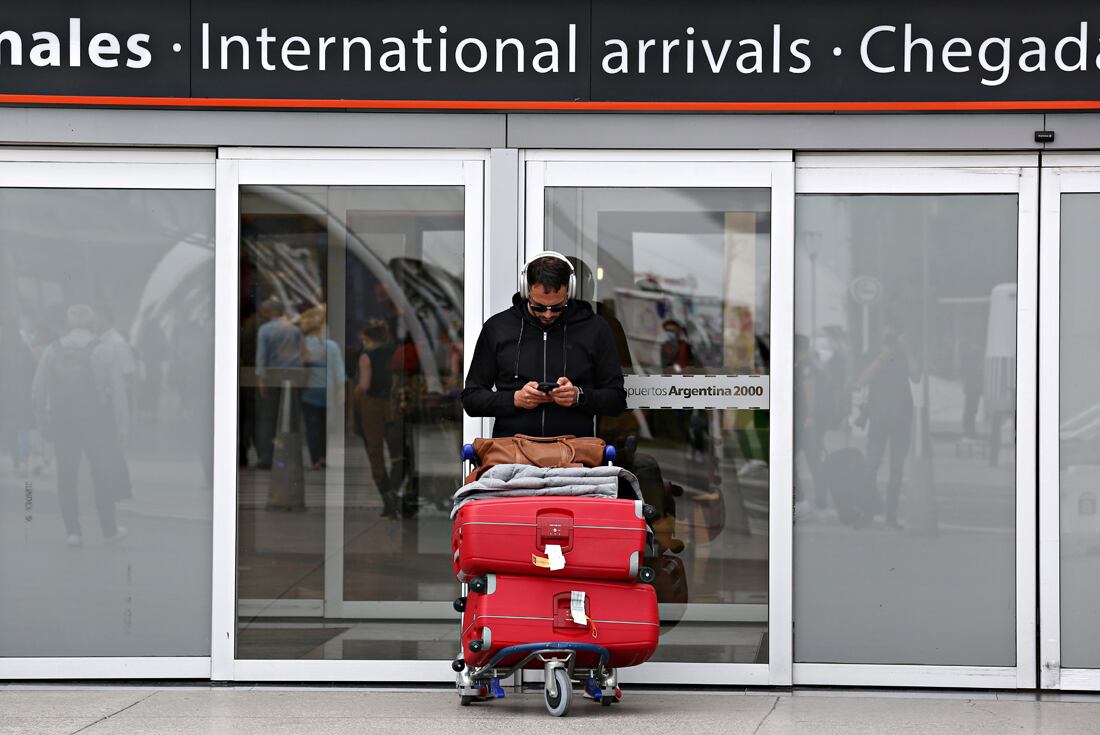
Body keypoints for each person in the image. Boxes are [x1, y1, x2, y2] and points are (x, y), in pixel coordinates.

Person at [462, 251, 626, 438]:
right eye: (539, 306)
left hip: (574, 453)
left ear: (570, 291)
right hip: (513, 454)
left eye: (557, 307)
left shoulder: (595, 328)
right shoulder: (498, 327)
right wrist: (515, 399)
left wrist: (578, 396)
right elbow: (471, 399)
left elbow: (617, 399)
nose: (548, 314)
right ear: (526, 290)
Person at [31, 304, 128, 546]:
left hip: (63, 421)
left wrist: (42, 420)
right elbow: (118, 392)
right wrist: (122, 425)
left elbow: (37, 391)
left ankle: (73, 532)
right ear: (93, 323)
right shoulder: (104, 350)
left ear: (68, 324)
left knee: (66, 476)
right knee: (101, 474)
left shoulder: (52, 350)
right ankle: (109, 530)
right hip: (97, 422)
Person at [857, 326, 921, 530]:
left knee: (897, 469)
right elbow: (862, 380)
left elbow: (916, 377)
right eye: (887, 340)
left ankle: (891, 516)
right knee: (870, 467)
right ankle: (867, 513)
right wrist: (881, 358)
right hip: (878, 420)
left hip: (901, 420)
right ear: (880, 342)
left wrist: (908, 350)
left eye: (893, 341)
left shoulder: (904, 357)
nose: (891, 345)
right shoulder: (874, 357)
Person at [354, 319, 400, 517]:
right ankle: (395, 489)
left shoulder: (366, 356)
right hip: (392, 404)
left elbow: (364, 385)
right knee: (396, 451)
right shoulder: (394, 352)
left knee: (375, 451)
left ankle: (386, 495)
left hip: (371, 406)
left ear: (366, 338)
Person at [255, 299, 303, 470]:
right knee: (291, 417)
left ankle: (267, 456)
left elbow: (262, 356)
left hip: (273, 375)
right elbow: (300, 353)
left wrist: (262, 379)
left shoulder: (265, 330)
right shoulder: (294, 330)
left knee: (269, 417)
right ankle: (291, 456)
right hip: (293, 375)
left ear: (269, 312)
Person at [298, 305, 345, 470]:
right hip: (327, 391)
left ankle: (315, 459)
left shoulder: (303, 345)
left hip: (309, 391)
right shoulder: (331, 346)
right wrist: (341, 389)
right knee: (325, 426)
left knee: (312, 427)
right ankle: (324, 457)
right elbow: (339, 370)